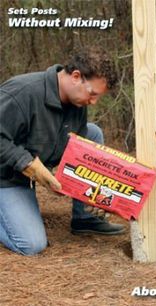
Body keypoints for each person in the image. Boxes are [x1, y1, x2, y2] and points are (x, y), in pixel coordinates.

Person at [0, 47, 125, 256]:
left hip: (26, 170)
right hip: (5, 176)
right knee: (31, 244)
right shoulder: (22, 92)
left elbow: (80, 153)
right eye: (92, 94)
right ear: (76, 76)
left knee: (91, 134)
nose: (93, 102)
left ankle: (84, 217)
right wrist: (28, 164)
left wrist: (96, 189)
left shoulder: (77, 103)